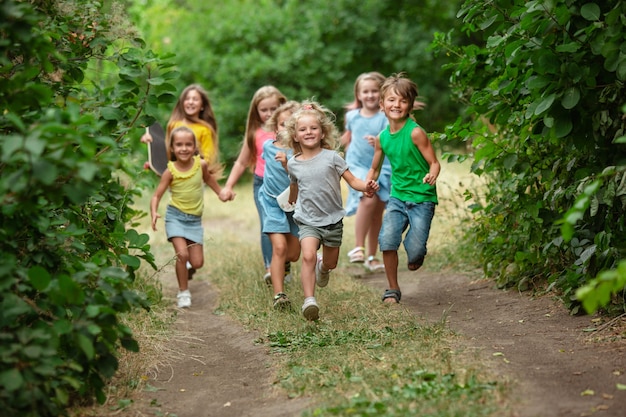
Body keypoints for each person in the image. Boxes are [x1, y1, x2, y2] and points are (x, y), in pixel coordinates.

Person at [285, 101, 379, 321]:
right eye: (303, 129)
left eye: (313, 128)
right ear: (296, 136)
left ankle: (323, 266)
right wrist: (291, 200)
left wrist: (366, 187)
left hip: (332, 219)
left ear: (322, 132)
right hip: (307, 219)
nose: (309, 132)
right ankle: (309, 300)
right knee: (307, 256)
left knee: (330, 262)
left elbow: (353, 180)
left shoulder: (333, 158)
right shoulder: (293, 163)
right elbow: (294, 185)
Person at [366, 73, 440, 304]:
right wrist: (369, 183)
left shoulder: (415, 132)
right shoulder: (382, 138)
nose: (396, 105)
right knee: (387, 240)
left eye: (402, 101)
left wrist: (432, 175)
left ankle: (416, 249)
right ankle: (392, 289)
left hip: (422, 198)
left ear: (409, 105)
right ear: (382, 105)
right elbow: (375, 168)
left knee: (415, 252)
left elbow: (434, 163)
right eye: (391, 100)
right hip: (397, 197)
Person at [219, 86, 288, 283]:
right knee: (269, 224)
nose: (268, 114)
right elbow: (241, 162)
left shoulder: (288, 130)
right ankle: (270, 266)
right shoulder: (255, 133)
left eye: (273, 108)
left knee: (291, 226)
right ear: (256, 111)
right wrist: (229, 185)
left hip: (288, 183)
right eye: (263, 110)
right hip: (263, 185)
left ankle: (285, 260)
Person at [150, 126, 223, 308]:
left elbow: (209, 180)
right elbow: (156, 195)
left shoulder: (201, 165)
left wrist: (221, 193)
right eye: (179, 145)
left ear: (194, 147)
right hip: (175, 217)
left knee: (197, 262)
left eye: (188, 144)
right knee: (182, 255)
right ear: (172, 148)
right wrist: (154, 212)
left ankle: (187, 268)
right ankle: (183, 292)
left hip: (194, 220)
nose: (184, 148)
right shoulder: (170, 171)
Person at [340, 72, 391, 272]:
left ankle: (372, 256)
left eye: (374, 91)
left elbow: (391, 139)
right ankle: (358, 248)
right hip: (358, 166)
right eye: (365, 91)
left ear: (381, 93)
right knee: (368, 198)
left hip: (381, 167)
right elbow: (350, 138)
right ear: (359, 95)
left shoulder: (385, 117)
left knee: (377, 211)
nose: (370, 95)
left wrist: (379, 141)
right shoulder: (351, 116)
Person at [258, 101, 302, 309]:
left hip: (294, 205)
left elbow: (301, 177)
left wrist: (287, 163)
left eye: (293, 124)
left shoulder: (302, 153)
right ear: (275, 128)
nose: (287, 129)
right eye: (283, 124)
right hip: (272, 203)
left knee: (292, 254)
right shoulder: (267, 146)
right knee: (280, 247)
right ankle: (279, 295)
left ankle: (283, 264)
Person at [141, 84, 219, 164]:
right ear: (182, 103)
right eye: (187, 99)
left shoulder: (204, 130)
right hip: (175, 172)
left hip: (195, 173)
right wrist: (153, 141)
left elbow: (208, 159)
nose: (191, 102)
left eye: (195, 99)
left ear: (202, 106)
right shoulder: (174, 125)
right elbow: (168, 152)